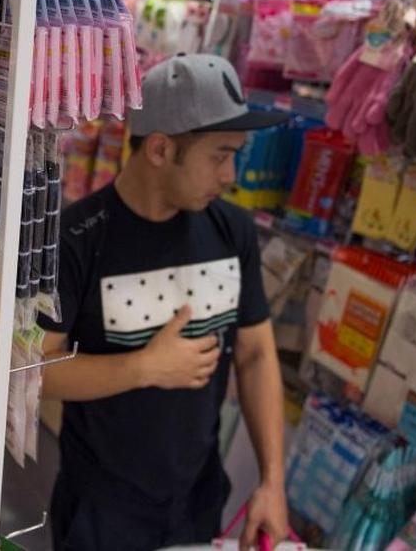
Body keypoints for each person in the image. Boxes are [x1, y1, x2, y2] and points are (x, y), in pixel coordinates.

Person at [38, 54, 290, 551]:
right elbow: (34, 369)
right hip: (100, 512)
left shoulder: (233, 230)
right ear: (159, 149)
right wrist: (144, 367)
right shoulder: (78, 238)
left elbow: (257, 354)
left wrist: (272, 482)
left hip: (198, 502)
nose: (231, 174)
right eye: (219, 156)